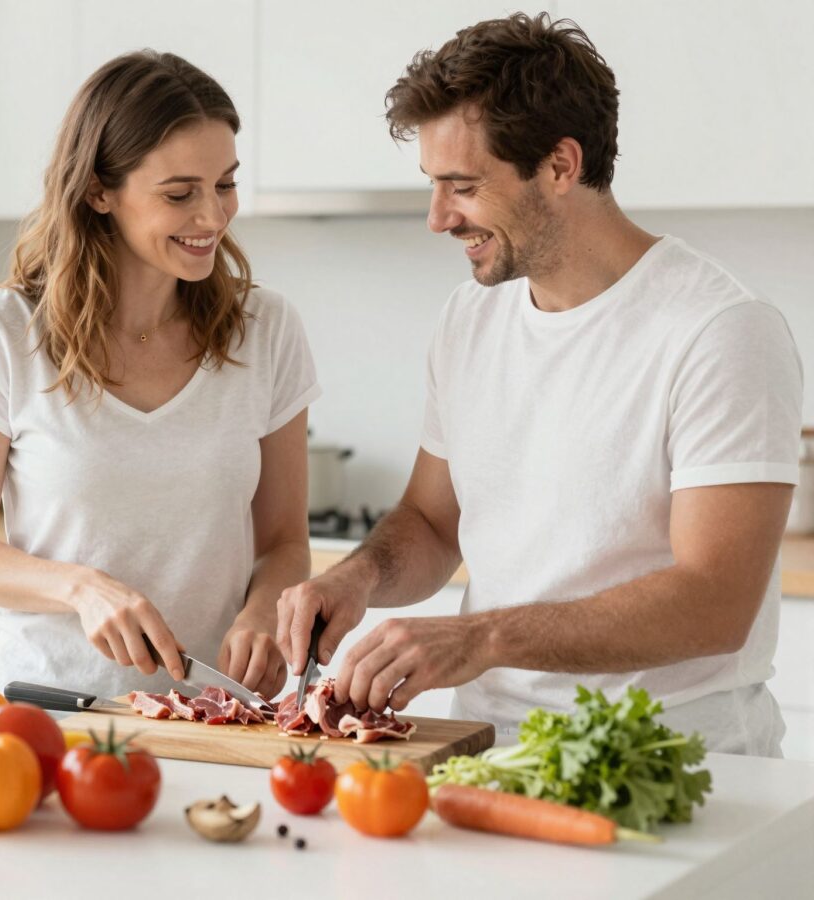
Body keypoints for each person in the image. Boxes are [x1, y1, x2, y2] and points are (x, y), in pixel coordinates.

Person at [277, 13, 801, 755]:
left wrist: (482, 637)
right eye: (433, 185)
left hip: (670, 762)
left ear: (560, 165)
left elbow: (715, 602)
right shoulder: (470, 318)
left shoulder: (720, 330)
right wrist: (357, 579)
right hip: (490, 751)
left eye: (463, 186)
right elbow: (433, 522)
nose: (437, 218)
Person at [0, 51, 319, 701]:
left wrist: (261, 614)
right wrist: (79, 588)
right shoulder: (4, 330)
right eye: (179, 194)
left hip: (210, 715)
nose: (213, 216)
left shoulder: (266, 329)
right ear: (98, 191)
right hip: (44, 710)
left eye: (225, 184)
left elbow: (284, 541)